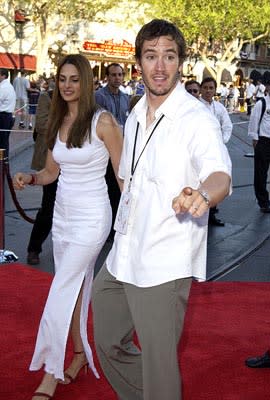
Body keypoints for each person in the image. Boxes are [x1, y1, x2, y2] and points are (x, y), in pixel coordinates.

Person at [92, 19, 231, 400]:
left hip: (164, 260)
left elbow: (220, 174)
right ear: (139, 62)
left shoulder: (196, 118)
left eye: (168, 56)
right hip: (124, 251)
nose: (159, 66)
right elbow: (128, 177)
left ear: (180, 62)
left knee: (159, 365)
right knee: (108, 340)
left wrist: (203, 193)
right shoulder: (136, 113)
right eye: (151, 56)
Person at [13, 54, 123, 400]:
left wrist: (132, 224)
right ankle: (78, 354)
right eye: (62, 79)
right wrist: (30, 178)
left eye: (74, 79)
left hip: (92, 219)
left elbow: (124, 178)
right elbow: (51, 173)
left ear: (86, 82)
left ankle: (50, 371)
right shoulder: (58, 121)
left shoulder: (103, 122)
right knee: (73, 287)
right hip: (62, 217)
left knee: (61, 288)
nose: (67, 85)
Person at [95, 63, 130, 241]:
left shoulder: (125, 98)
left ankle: (116, 228)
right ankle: (105, 229)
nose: (117, 78)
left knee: (119, 189)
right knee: (107, 190)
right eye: (114, 75)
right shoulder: (99, 97)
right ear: (107, 77)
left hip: (121, 150)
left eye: (120, 74)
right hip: (103, 151)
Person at [26, 83, 56, 266]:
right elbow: (42, 124)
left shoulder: (84, 99)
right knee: (48, 207)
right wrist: (68, 123)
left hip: (74, 162)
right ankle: (34, 248)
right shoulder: (48, 97)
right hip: (51, 159)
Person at [200, 76, 233, 226]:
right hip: (199, 149)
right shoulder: (194, 106)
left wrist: (222, 141)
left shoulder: (219, 107)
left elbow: (227, 126)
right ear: (201, 89)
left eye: (211, 88)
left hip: (215, 151)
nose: (208, 91)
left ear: (215, 90)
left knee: (214, 181)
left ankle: (212, 214)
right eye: (205, 87)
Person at [248, 80, 270, 213]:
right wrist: (255, 138)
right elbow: (254, 121)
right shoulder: (262, 103)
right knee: (261, 174)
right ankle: (263, 202)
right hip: (264, 141)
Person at [0, 68, 16, 158]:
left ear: (3, 76)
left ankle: (2, 166)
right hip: (7, 116)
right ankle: (4, 166)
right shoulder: (8, 86)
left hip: (3, 117)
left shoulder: (3, 87)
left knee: (2, 144)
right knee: (4, 143)